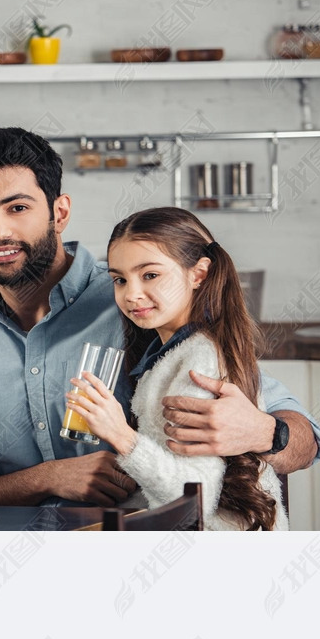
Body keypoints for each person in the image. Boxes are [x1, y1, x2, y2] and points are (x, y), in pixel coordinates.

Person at [0, 127, 320, 508]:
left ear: (59, 213)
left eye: (18, 207)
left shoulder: (140, 305)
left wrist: (263, 432)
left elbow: (305, 440)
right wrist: (45, 478)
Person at [65, 208, 285, 528]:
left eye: (150, 275)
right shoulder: (172, 351)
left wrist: (120, 434)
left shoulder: (199, 364)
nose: (132, 294)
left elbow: (193, 500)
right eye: (120, 279)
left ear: (198, 274)